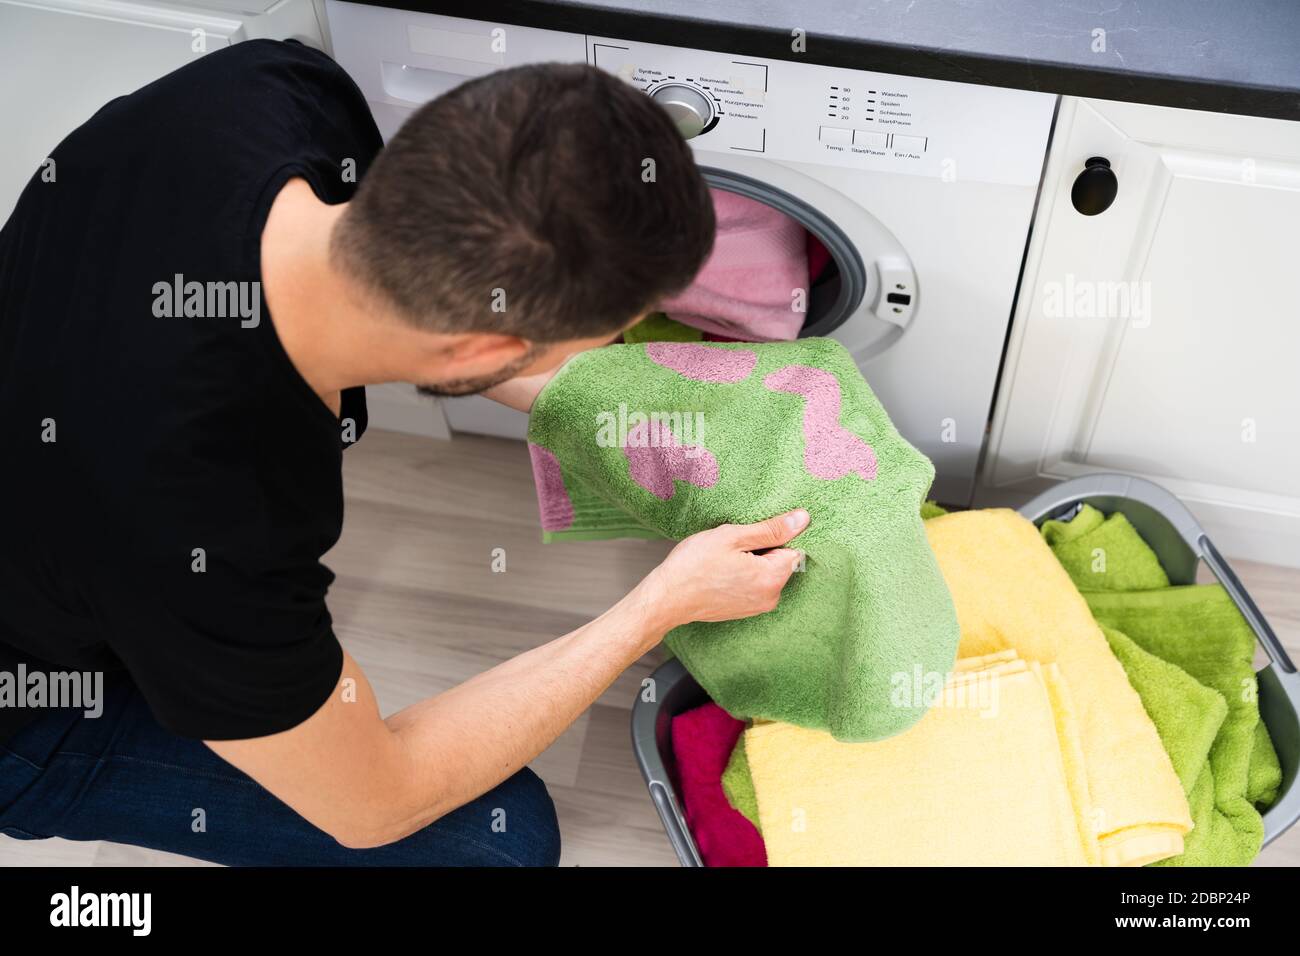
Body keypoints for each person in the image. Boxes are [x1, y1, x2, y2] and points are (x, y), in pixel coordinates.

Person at [0, 39, 808, 865]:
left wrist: (663, 432)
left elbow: (434, 304)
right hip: (31, 703)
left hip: (73, 515)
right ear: (478, 348)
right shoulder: (204, 524)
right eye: (597, 345)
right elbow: (374, 806)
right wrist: (659, 604)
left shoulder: (267, 95)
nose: (608, 357)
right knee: (501, 845)